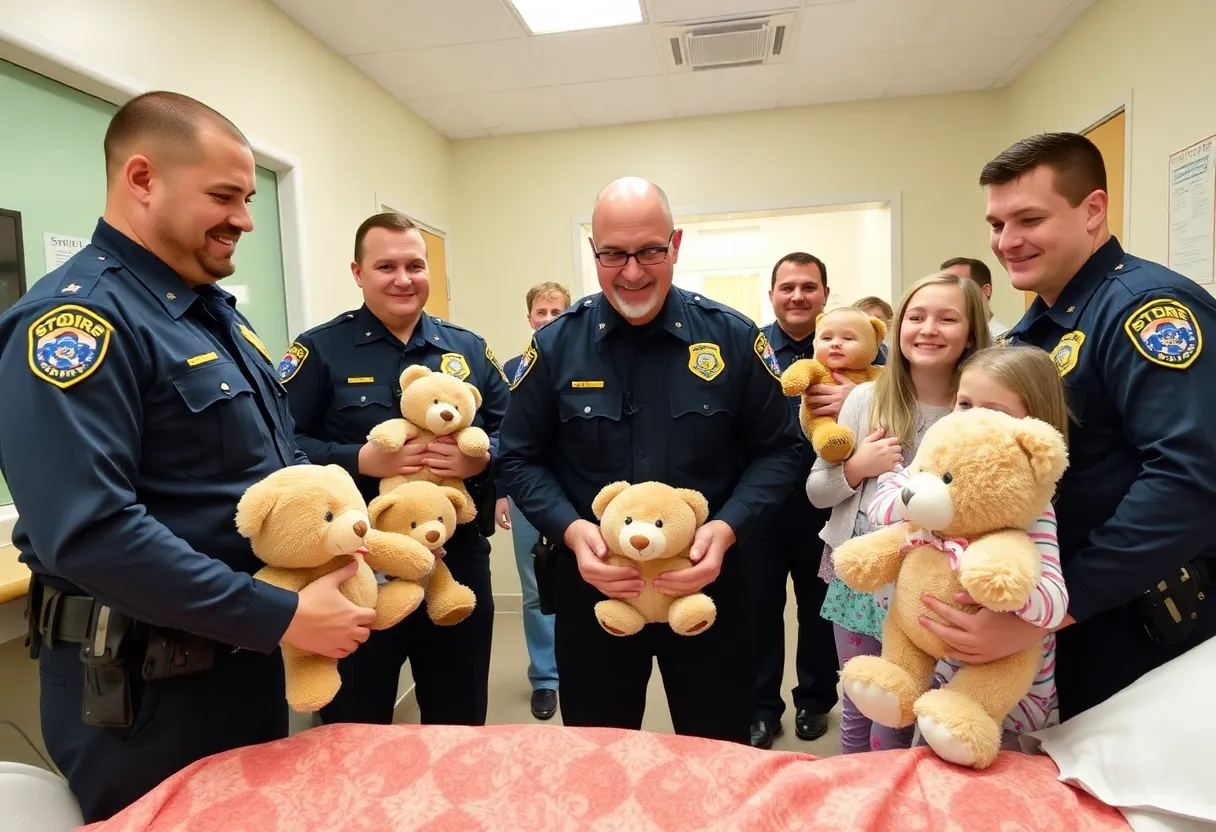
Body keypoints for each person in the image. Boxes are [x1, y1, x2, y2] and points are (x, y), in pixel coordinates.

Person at [0, 91, 375, 823]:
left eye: (246, 196)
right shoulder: (77, 322)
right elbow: (89, 532)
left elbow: (268, 474)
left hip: (239, 661)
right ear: (142, 179)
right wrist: (280, 615)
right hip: (148, 692)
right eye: (224, 195)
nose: (244, 217)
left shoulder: (210, 315)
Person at [498, 177, 803, 744]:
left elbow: (781, 450)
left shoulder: (732, 338)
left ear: (676, 245)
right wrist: (569, 532)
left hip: (708, 586)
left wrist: (728, 528)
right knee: (599, 755)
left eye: (649, 252)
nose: (632, 271)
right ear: (594, 251)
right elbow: (517, 459)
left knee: (716, 751)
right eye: (613, 254)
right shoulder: (557, 345)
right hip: (598, 592)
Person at [926, 131, 1216, 720]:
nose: (1007, 242)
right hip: (1062, 616)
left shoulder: (1146, 310)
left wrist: (1059, 606)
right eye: (996, 224)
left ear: (1093, 211)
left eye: (1029, 219)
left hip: (1134, 621)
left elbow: (1190, 479)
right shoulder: (1034, 331)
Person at [280, 211, 508, 727]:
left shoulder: (467, 349)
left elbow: (517, 435)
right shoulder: (318, 350)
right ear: (358, 273)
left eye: (414, 265)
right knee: (355, 719)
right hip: (355, 566)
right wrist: (358, 459)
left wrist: (481, 455)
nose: (403, 279)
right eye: (386, 266)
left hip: (456, 557)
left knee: (460, 714)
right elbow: (281, 445)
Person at [807, 271, 990, 753]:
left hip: (931, 581)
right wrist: (855, 469)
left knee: (906, 703)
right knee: (859, 698)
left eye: (947, 318)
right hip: (860, 574)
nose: (928, 328)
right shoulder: (866, 399)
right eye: (917, 316)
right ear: (899, 326)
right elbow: (817, 490)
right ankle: (856, 795)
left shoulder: (977, 408)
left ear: (971, 331)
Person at [868, 345, 1070, 748]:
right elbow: (880, 508)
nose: (972, 419)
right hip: (941, 672)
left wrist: (999, 582)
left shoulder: (1032, 509)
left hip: (1009, 701)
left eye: (993, 410)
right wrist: (918, 498)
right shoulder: (936, 469)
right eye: (964, 404)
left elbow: (1053, 604)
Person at [748, 252, 846, 749]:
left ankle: (814, 700)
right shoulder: (752, 347)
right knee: (759, 609)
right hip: (762, 506)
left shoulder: (849, 348)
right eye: (787, 287)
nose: (798, 296)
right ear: (772, 295)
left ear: (825, 294)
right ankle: (762, 708)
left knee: (819, 609)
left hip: (828, 504)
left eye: (809, 287)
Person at [492, 280, 571, 720]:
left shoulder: (586, 358)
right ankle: (545, 677)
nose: (547, 319)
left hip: (576, 493)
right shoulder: (511, 368)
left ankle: (581, 663)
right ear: (529, 318)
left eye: (556, 311)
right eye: (540, 312)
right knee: (535, 585)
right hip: (525, 492)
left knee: (581, 578)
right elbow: (506, 438)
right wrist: (502, 491)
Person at [941, 257, 1009, 338]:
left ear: (986, 291)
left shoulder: (1005, 344)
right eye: (942, 285)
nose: (945, 293)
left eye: (956, 284)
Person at [852, 296, 894, 363]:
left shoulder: (892, 353)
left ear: (888, 322)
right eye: (864, 317)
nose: (871, 322)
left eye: (877, 318)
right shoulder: (845, 348)